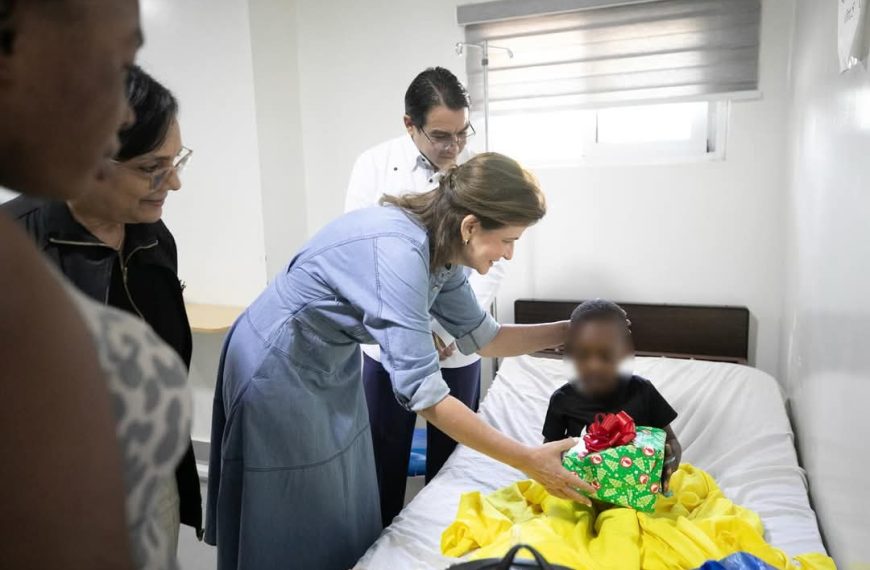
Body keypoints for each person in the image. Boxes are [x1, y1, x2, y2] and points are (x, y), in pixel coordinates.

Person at [206, 152, 594, 570]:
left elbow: (484, 338)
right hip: (278, 360)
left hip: (327, 360)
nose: (510, 254)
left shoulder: (443, 251)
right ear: (470, 226)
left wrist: (569, 330)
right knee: (290, 499)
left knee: (342, 494)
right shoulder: (401, 252)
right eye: (508, 240)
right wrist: (527, 459)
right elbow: (426, 396)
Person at [0, 1, 191, 568]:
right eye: (152, 168)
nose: (173, 183)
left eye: (176, 161)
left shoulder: (153, 237)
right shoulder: (22, 247)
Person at [345, 66, 499, 525]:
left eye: (462, 133)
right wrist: (416, 331)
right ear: (410, 125)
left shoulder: (481, 171)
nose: (454, 148)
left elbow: (494, 259)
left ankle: (442, 544)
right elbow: (364, 256)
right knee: (383, 455)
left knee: (453, 461)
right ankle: (378, 545)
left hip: (457, 344)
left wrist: (451, 329)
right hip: (388, 342)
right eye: (441, 136)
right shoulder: (373, 166)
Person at [542, 300, 682, 491]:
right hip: (581, 492)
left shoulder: (643, 391)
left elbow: (670, 441)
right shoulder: (562, 399)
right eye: (583, 354)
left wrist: (670, 459)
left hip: (635, 493)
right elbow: (548, 452)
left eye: (606, 355)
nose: (594, 366)